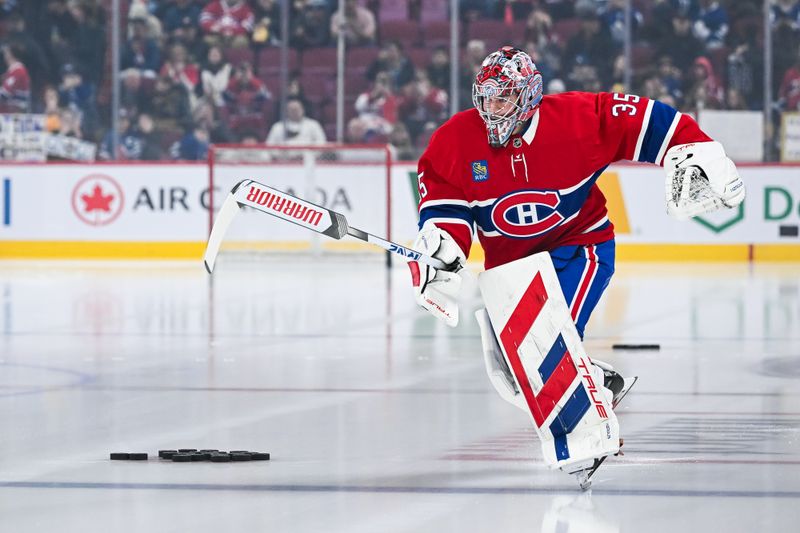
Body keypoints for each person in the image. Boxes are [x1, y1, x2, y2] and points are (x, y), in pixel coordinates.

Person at [408, 46, 745, 481]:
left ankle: (589, 435)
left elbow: (649, 120)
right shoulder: (455, 140)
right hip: (511, 270)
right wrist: (442, 248)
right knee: (511, 371)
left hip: (580, 247)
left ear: (529, 96)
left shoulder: (579, 119)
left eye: (504, 96)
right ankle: (599, 384)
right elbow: (445, 206)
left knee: (544, 341)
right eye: (486, 97)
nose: (492, 108)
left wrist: (696, 147)